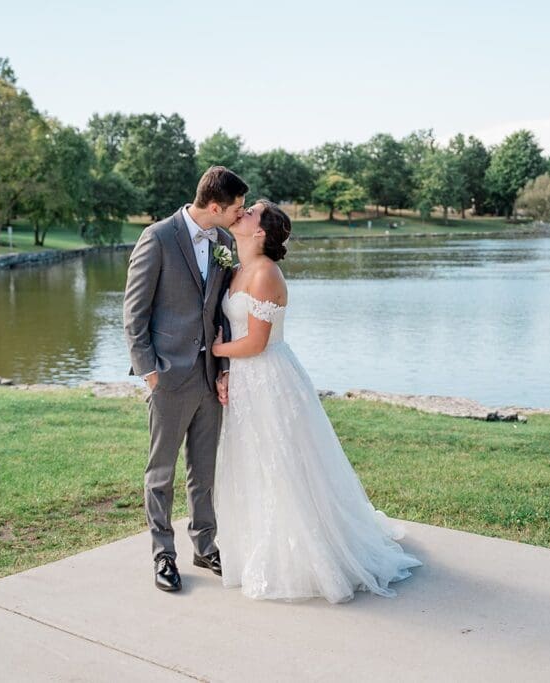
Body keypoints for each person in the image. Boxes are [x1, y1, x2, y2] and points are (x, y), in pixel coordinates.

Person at [211, 199, 423, 604]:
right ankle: (257, 545)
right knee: (255, 463)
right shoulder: (238, 269)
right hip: (245, 382)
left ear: (260, 232)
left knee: (284, 463)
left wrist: (219, 353)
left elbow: (256, 343)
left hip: (269, 378)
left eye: (251, 211)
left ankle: (308, 556)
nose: (243, 213)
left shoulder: (267, 274)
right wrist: (224, 370)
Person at [122, 166, 247, 592]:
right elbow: (133, 313)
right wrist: (150, 373)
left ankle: (204, 544)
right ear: (215, 206)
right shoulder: (157, 237)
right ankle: (163, 555)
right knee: (161, 472)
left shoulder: (226, 242)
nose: (240, 215)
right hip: (169, 377)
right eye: (237, 209)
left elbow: (222, 316)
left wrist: (225, 369)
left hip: (210, 377)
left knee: (204, 470)